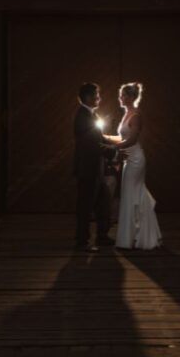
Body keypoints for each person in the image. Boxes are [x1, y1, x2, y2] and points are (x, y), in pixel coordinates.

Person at [102, 82, 162, 250]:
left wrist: (113, 147)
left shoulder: (136, 115)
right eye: (120, 95)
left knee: (131, 195)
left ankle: (138, 237)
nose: (120, 98)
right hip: (129, 159)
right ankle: (137, 235)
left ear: (130, 97)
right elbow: (122, 138)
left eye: (122, 95)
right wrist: (105, 136)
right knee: (131, 195)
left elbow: (132, 140)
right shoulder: (127, 113)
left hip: (136, 160)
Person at [73, 82, 115, 251]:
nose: (99, 98)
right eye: (97, 95)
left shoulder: (91, 115)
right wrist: (114, 153)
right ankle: (81, 241)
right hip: (87, 168)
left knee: (102, 203)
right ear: (88, 97)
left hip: (95, 168)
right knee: (85, 205)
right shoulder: (83, 116)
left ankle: (102, 236)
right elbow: (93, 144)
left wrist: (114, 141)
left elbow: (99, 138)